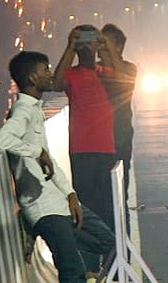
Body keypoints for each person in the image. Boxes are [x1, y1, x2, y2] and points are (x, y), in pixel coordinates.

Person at [0, 51, 87, 283]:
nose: (50, 74)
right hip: (44, 208)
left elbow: (50, 162)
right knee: (72, 270)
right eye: (45, 69)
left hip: (55, 200)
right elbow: (2, 140)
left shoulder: (35, 108)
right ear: (32, 79)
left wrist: (70, 194)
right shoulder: (23, 111)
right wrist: (37, 151)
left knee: (102, 239)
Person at [53, 26, 117, 249]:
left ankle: (112, 257)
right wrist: (70, 47)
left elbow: (123, 80)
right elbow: (56, 83)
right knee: (86, 210)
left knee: (109, 208)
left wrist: (106, 47)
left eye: (92, 42)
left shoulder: (106, 73)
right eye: (85, 43)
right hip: (81, 151)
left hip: (107, 148)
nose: (89, 47)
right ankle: (91, 260)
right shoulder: (72, 74)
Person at [98, 23, 138, 207]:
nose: (101, 47)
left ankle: (123, 232)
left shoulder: (129, 68)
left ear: (119, 47)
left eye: (105, 43)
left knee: (120, 196)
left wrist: (110, 55)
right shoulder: (92, 70)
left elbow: (122, 80)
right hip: (96, 141)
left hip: (119, 136)